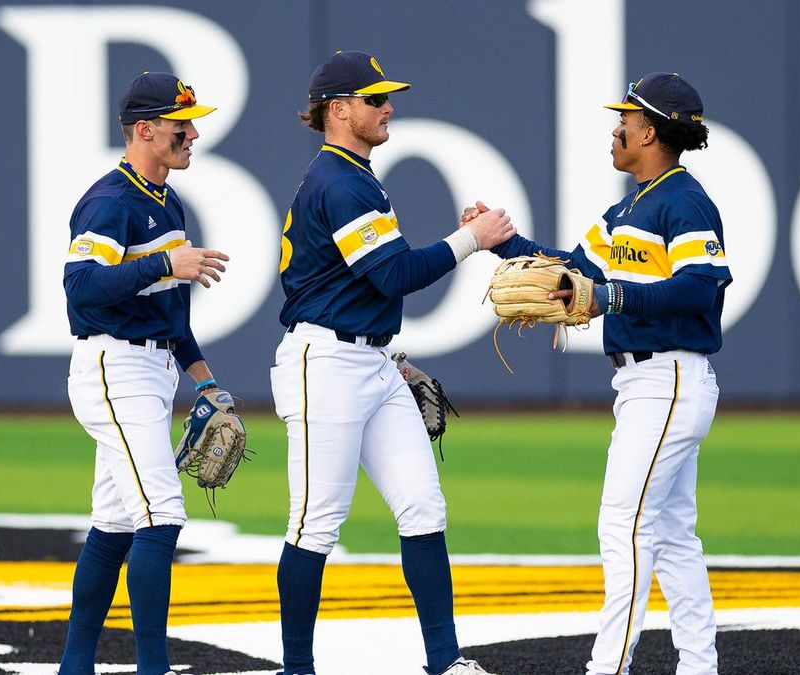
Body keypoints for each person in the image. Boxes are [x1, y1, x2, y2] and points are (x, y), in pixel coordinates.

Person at [466, 72, 730, 675]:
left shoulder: (683, 200)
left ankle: (608, 666)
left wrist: (612, 299)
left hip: (670, 377)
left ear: (653, 131)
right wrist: (501, 242)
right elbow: (570, 270)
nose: (617, 128)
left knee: (623, 524)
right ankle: (699, 665)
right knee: (671, 535)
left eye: (627, 120)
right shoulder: (628, 205)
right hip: (646, 382)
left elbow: (700, 286)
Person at [270, 51, 515, 675]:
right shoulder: (340, 179)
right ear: (338, 109)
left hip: (368, 360)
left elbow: (375, 286)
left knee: (423, 507)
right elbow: (394, 275)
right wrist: (473, 240)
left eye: (386, 97)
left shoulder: (353, 174)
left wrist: (382, 351)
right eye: (375, 99)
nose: (388, 107)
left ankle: (445, 661)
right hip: (323, 362)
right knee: (315, 523)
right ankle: (296, 667)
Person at [59, 71, 231, 675]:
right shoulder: (111, 200)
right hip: (113, 364)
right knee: (161, 514)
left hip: (152, 368)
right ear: (144, 129)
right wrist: (164, 261)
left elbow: (169, 311)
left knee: (113, 523)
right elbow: (80, 286)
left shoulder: (167, 200)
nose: (193, 133)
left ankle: (74, 666)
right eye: (181, 123)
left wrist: (205, 380)